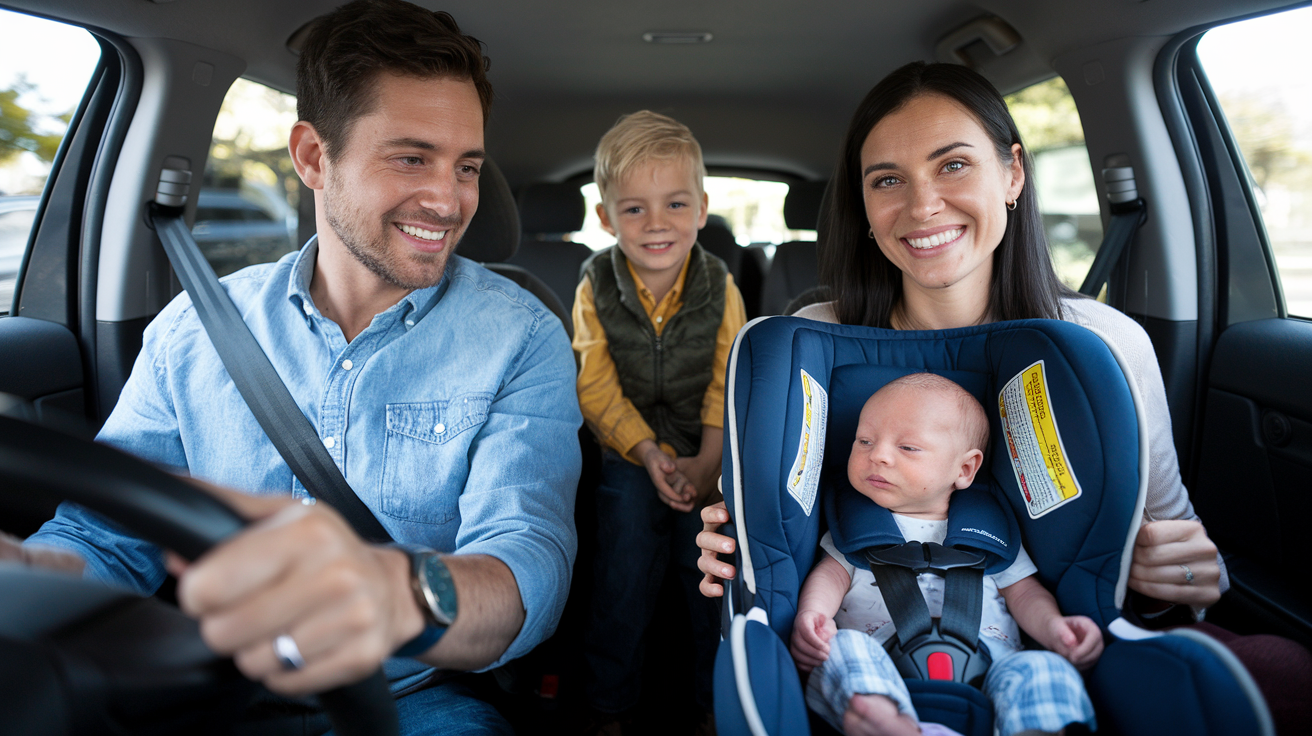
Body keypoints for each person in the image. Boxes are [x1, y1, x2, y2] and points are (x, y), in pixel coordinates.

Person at [1, 1, 581, 733]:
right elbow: (105, 535)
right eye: (411, 157)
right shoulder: (195, 330)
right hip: (207, 692)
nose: (449, 198)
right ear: (312, 156)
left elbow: (528, 561)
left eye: (466, 165)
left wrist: (398, 593)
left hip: (415, 702)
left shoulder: (522, 335)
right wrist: (34, 581)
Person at [696, 60, 1311, 732]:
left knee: (1284, 671)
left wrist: (1181, 578)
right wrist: (734, 550)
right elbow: (767, 529)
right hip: (858, 654)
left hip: (1035, 650)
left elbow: (1175, 547)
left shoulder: (1099, 347)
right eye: (888, 180)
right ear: (865, 206)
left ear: (1013, 173)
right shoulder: (811, 347)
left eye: (953, 165)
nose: (923, 204)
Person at [793, 374, 1100, 736]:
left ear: (965, 469)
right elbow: (832, 575)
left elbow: (1025, 593)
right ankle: (886, 723)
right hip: (883, 663)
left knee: (1044, 668)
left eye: (907, 447)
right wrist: (814, 615)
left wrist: (1055, 629)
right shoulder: (855, 529)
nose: (877, 455)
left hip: (992, 667)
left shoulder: (990, 535)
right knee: (842, 649)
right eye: (864, 441)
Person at [572, 110, 747, 728]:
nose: (656, 225)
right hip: (627, 452)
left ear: (701, 208)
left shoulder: (719, 283)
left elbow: (730, 374)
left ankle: (712, 702)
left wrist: (707, 459)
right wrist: (646, 453)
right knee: (620, 576)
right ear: (605, 218)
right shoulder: (595, 282)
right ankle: (608, 703)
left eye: (674, 205)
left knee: (709, 582)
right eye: (634, 209)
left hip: (707, 447)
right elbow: (593, 384)